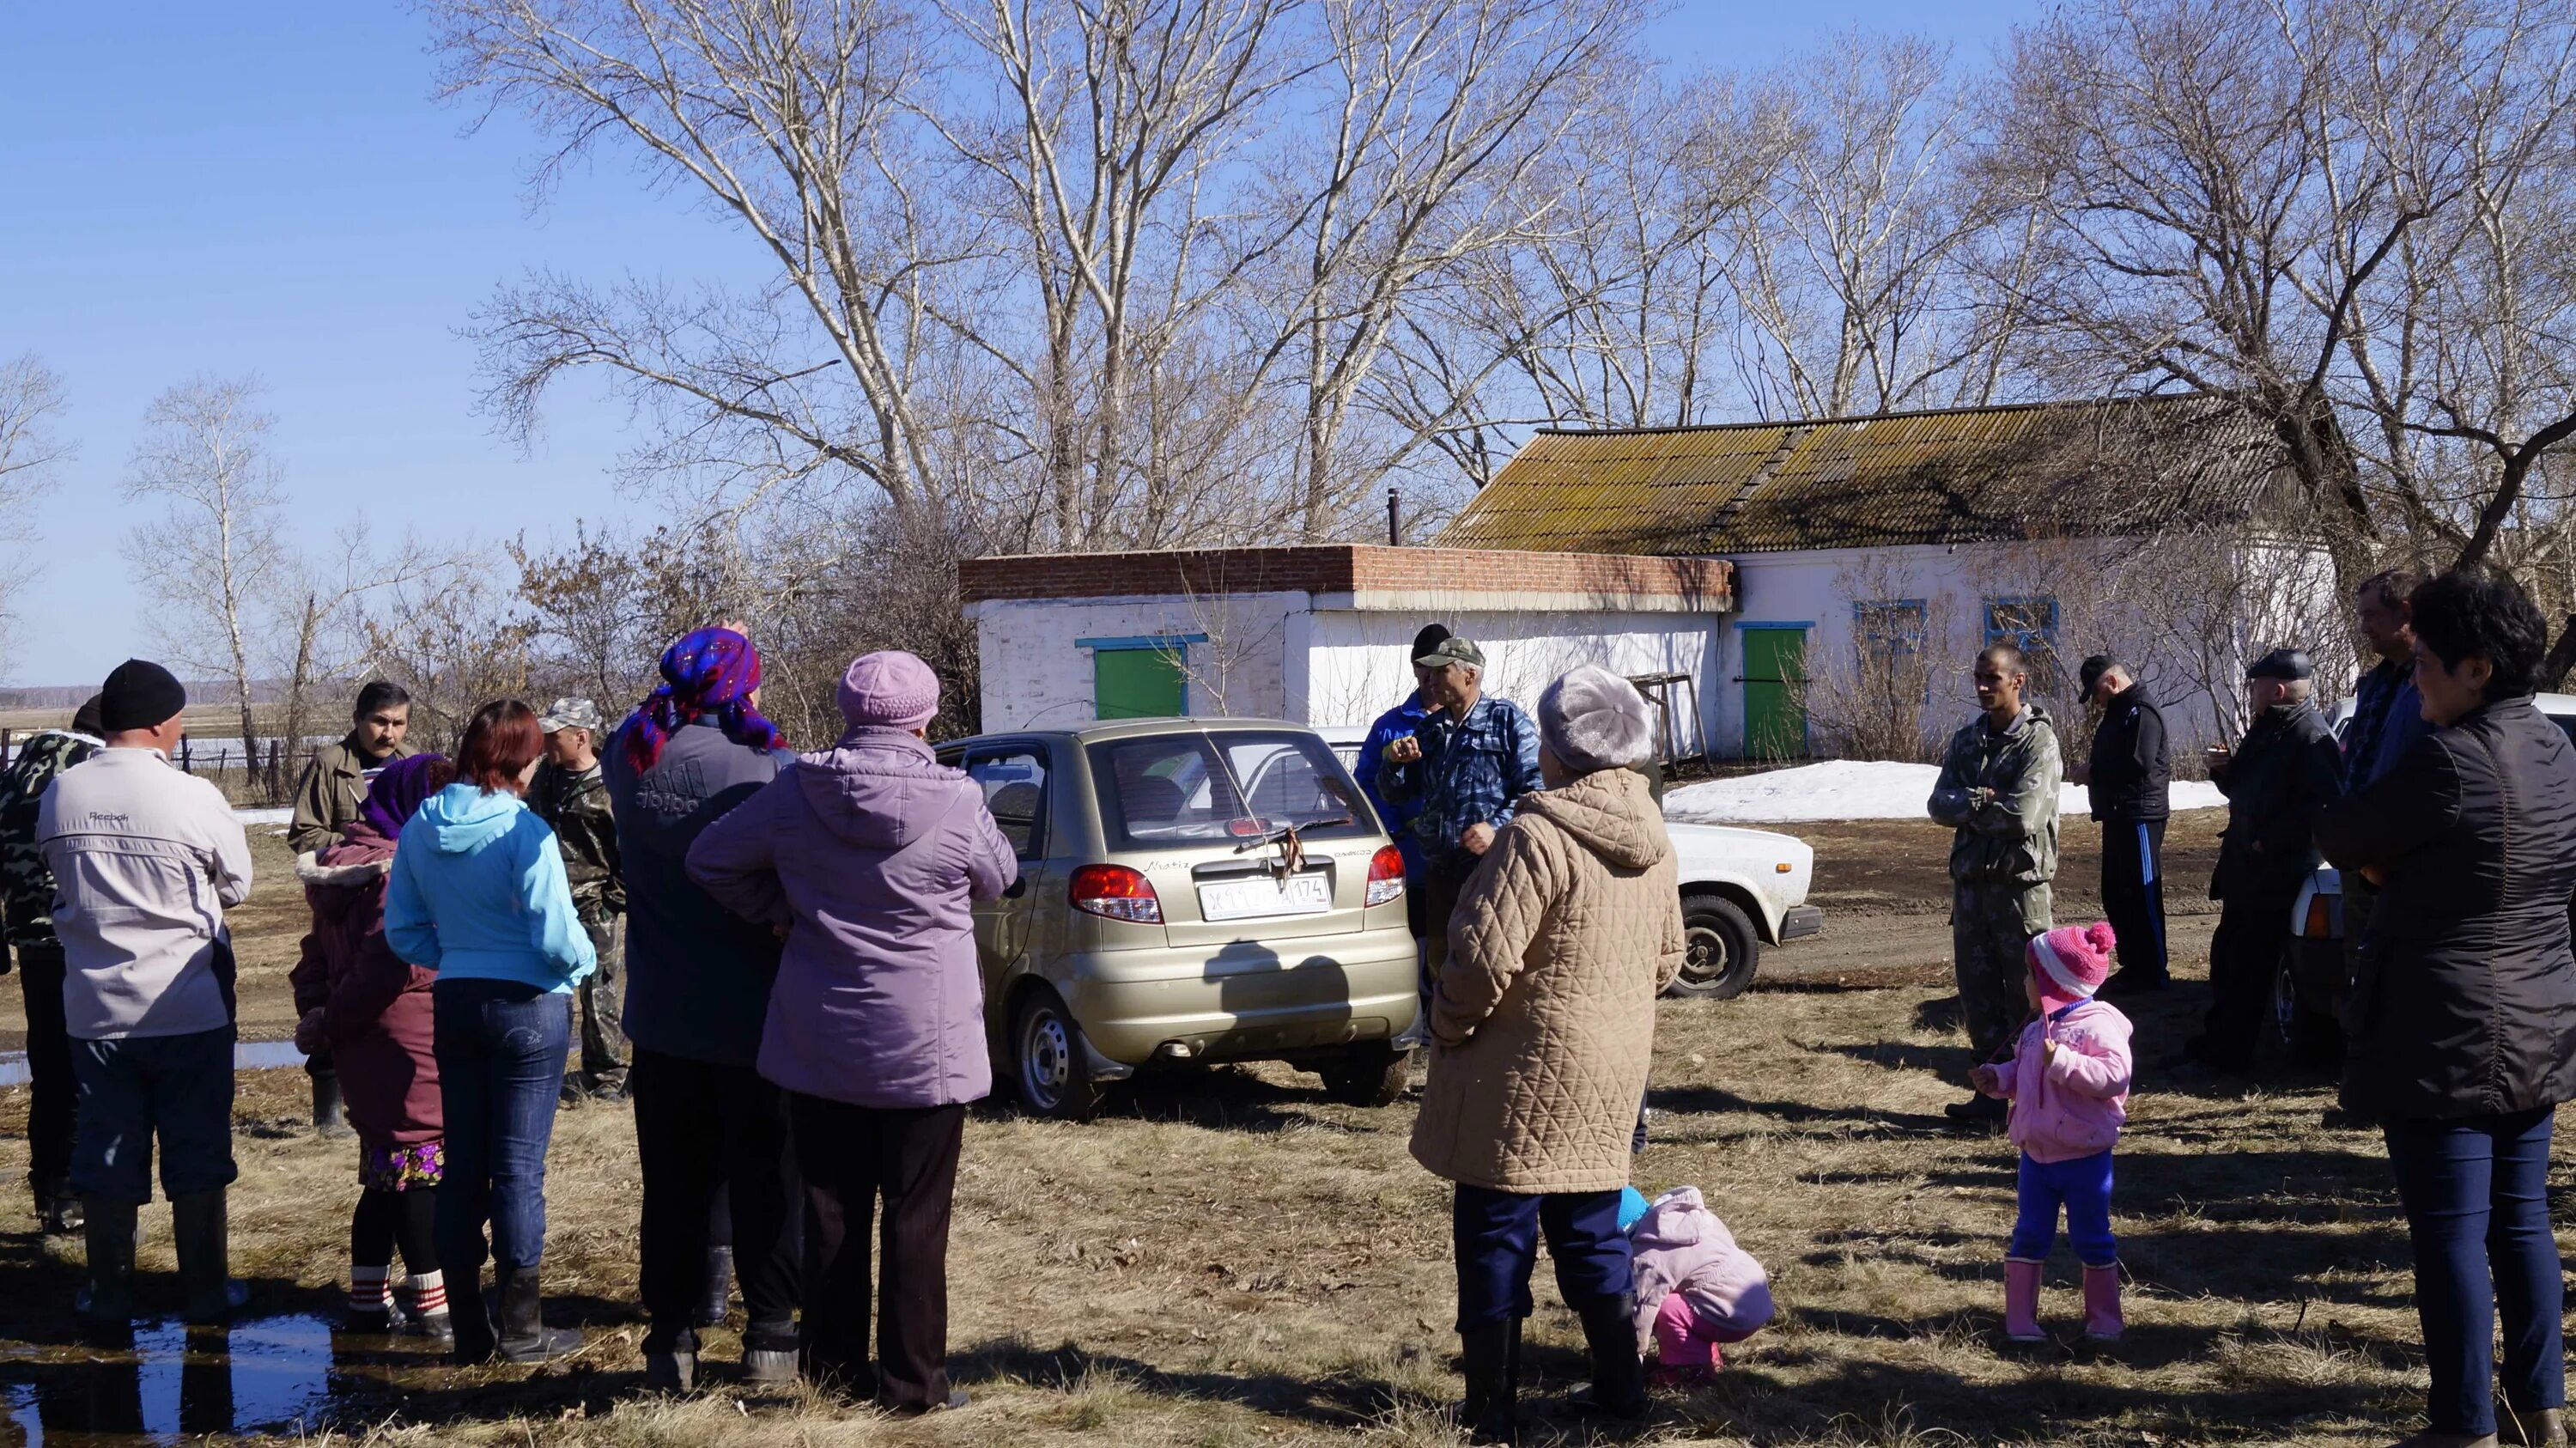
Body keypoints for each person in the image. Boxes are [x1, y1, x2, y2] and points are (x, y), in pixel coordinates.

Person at [688, 650, 1014, 1415]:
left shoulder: (800, 789)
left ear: (849, 713)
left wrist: (779, 911)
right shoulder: (961, 799)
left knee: (829, 1208)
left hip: (823, 1037)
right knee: (918, 1217)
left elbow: (711, 860)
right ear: (926, 719)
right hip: (929, 1046)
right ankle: (913, 1385)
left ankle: (834, 1374)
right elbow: (999, 878)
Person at [2315, 569, 2576, 1448]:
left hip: (2444, 1033)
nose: (2413, 673)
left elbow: (2344, 835)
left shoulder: (2450, 760)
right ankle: (2542, 1410)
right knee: (2522, 1222)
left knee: (2453, 1235)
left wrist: (2390, 869)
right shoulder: (2552, 746)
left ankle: (2464, 1426)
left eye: (2426, 661)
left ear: (2478, 668)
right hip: (2534, 1020)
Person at [1409, 666, 1683, 1444]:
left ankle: (1492, 1411)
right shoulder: (1655, 837)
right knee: (1592, 1234)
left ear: (1560, 751)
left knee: (1496, 1236)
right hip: (1612, 1069)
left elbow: (1480, 960)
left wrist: (1451, 1027)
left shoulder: (1536, 835)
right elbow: (1668, 957)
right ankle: (1620, 1394)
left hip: (1521, 1073)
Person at [603, 627, 801, 1392]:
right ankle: (772, 1335)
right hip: (756, 1010)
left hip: (662, 1011)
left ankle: (671, 1340)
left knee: (675, 1184)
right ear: (744, 688)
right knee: (767, 1180)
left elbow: (636, 720)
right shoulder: (768, 768)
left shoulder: (630, 755)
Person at [38, 660, 253, 1324]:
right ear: (164, 722)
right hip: (186, 1001)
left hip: (95, 1006)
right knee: (195, 1147)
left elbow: (53, 871)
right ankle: (206, 1292)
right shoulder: (191, 796)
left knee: (104, 1149)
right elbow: (237, 884)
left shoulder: (61, 792)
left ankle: (108, 1292)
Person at [384, 699, 597, 1365]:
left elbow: (403, 929)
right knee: (517, 1172)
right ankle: (525, 1330)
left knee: (463, 1168)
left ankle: (471, 1330)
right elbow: (557, 934)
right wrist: (581, 965)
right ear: (518, 758)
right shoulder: (523, 831)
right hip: (529, 1005)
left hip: (456, 998)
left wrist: (459, 958)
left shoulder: (421, 823)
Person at [291, 753, 456, 1340]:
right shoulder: (396, 874)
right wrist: (329, 1019)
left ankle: (367, 1299)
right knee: (419, 1172)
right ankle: (433, 1304)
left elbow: (316, 957)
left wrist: (321, 1013)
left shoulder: (348, 867)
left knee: (385, 1172)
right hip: (409, 1042)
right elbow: (393, 961)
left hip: (367, 1044)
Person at [2174, 649, 2342, 1078]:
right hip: (2245, 870)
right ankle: (2213, 1044)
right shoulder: (2269, 728)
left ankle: (2228, 1058)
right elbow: (2247, 790)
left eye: (2256, 684)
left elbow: (2321, 809)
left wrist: (2269, 841)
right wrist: (2223, 771)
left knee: (2248, 969)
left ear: (2279, 689)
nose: (2251, 692)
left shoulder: (2309, 737)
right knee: (2228, 961)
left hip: (2274, 875)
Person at [1968, 921, 2134, 1343]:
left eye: (2029, 974)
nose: (2024, 982)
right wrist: (1998, 1077)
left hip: (2085, 1158)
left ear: (2051, 981)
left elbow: (2115, 1076)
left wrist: (2062, 1062)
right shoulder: (2035, 1030)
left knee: (2092, 1237)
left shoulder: (2099, 1025)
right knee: (2029, 1233)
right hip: (2036, 1158)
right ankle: (2020, 1320)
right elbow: (2027, 1073)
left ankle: (2105, 1318)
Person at [1926, 645, 2062, 1123]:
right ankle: (1989, 1095)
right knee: (1977, 994)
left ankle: (2032, 1096)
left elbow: (2024, 816)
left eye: (1993, 679)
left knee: (2026, 996)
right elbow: (1938, 805)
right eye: (1979, 677)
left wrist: (1971, 805)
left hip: (2018, 891)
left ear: (2018, 681)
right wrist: (1986, 799)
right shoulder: (1967, 741)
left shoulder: (2038, 743)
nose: (1983, 686)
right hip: (1971, 889)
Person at [289, 679, 417, 1139]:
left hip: (396, 901)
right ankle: (327, 1109)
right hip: (341, 900)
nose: (389, 733)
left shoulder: (412, 766)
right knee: (328, 988)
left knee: (384, 998)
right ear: (358, 720)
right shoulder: (330, 765)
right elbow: (305, 833)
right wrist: (358, 853)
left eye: (398, 723)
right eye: (380, 722)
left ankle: (377, 1099)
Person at [1378, 636, 1545, 983]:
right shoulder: (1430, 730)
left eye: (1442, 672)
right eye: (1430, 673)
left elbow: (1537, 790)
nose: (1432, 681)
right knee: (1441, 963)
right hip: (1441, 873)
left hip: (1492, 872)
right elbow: (1394, 794)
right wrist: (1395, 764)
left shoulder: (1506, 721)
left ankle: (1488, 1036)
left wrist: (1497, 827)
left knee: (1489, 960)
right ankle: (1444, 1034)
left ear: (1469, 675)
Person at [0, 692, 102, 1236]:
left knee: (49, 1070)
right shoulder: (89, 773)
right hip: (81, 939)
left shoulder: (16, 775)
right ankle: (78, 1191)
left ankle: (49, 1191)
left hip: (30, 942)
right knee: (89, 1070)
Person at [529, 698, 627, 1103]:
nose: (547, 743)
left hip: (594, 905)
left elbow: (629, 853)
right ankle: (542, 1067)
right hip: (549, 901)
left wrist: (611, 903)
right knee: (544, 990)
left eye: (555, 736)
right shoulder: (546, 778)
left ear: (581, 737)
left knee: (598, 990)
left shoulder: (613, 786)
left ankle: (606, 1077)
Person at [2073, 657, 2169, 995]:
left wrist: (2094, 773)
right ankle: (2133, 966)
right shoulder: (2119, 712)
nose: (2096, 703)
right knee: (2115, 893)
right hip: (2117, 815)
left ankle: (2155, 971)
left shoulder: (2141, 711)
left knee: (2142, 894)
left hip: (2140, 815)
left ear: (2112, 683)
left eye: (2097, 694)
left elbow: (2139, 762)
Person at [1354, 623, 1451, 946]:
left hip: (1461, 865)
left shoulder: (1468, 722)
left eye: (1439, 666)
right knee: (1418, 950)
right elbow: (1365, 788)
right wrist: (1398, 829)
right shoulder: (1389, 727)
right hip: (1410, 866)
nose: (1431, 676)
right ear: (1414, 668)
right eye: (1425, 665)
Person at [1624, 1186, 1772, 1384]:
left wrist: (1629, 1357)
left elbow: (1642, 1311)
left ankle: (1689, 1370)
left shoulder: (1649, 1258)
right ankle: (1707, 1355)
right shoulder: (1690, 1218)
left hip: (1731, 1314)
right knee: (1695, 1294)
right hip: (1754, 1294)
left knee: (1665, 1307)